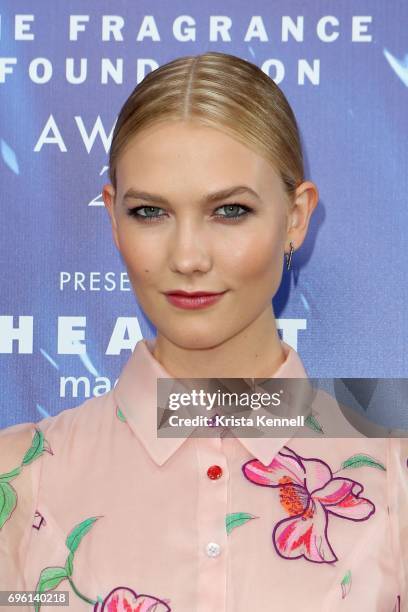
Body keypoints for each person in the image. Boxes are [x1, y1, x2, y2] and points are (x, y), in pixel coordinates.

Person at [0, 51, 406, 612]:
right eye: (150, 212)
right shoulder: (16, 480)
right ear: (113, 216)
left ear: (296, 217)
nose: (188, 257)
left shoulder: (396, 480)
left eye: (230, 211)